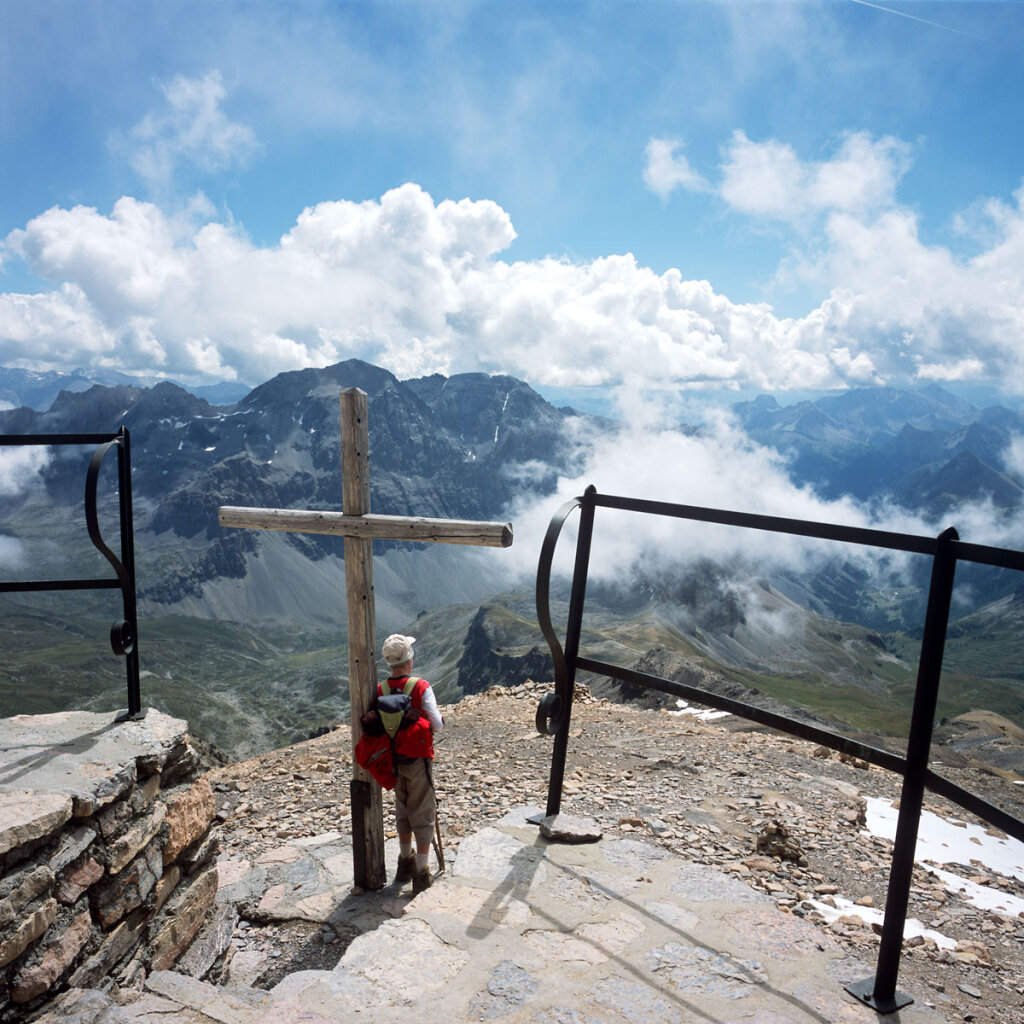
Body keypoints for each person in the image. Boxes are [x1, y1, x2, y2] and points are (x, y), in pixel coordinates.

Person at [379, 633, 443, 893]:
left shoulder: (381, 689)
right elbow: (436, 725)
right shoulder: (421, 686)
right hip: (418, 761)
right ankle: (422, 873)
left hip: (394, 762)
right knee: (423, 813)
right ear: (409, 659)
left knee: (403, 810)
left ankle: (404, 862)